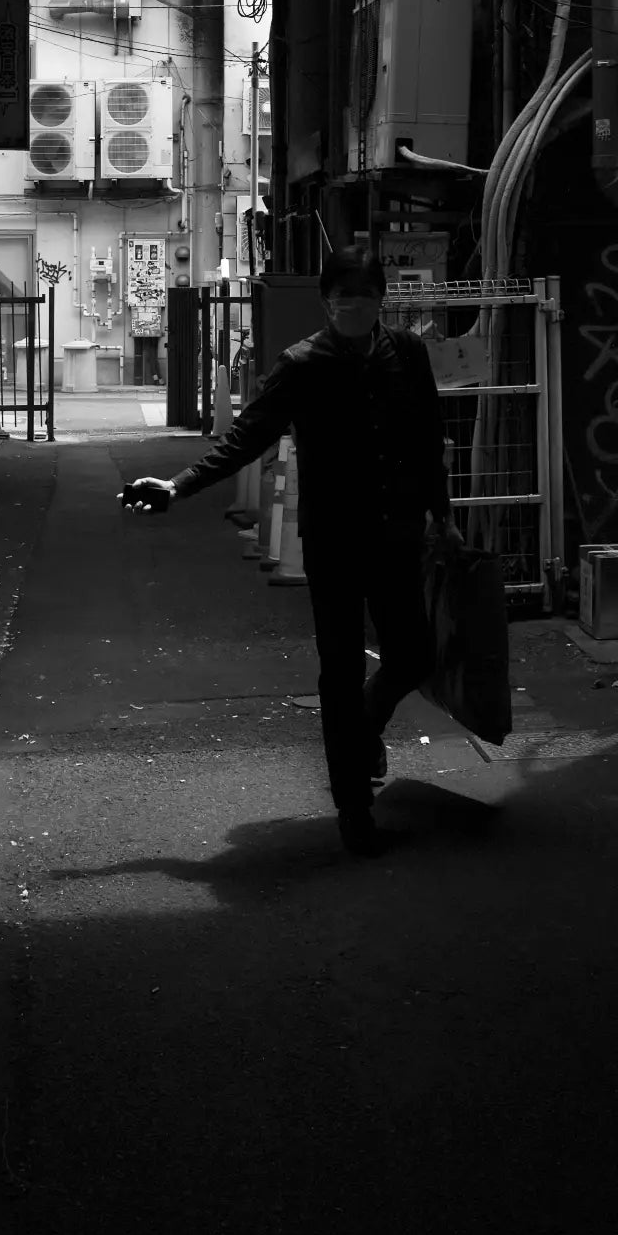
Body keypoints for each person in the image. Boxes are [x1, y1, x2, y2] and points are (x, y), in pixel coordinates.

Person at [119, 247, 463, 858]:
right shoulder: (302, 364)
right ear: (326, 301)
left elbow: (427, 434)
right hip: (334, 540)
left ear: (382, 298)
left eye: (361, 293)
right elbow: (246, 436)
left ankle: (365, 726)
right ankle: (353, 806)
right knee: (339, 670)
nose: (350, 304)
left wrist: (442, 513)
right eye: (340, 295)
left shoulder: (406, 354)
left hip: (397, 533)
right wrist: (177, 486)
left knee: (410, 653)